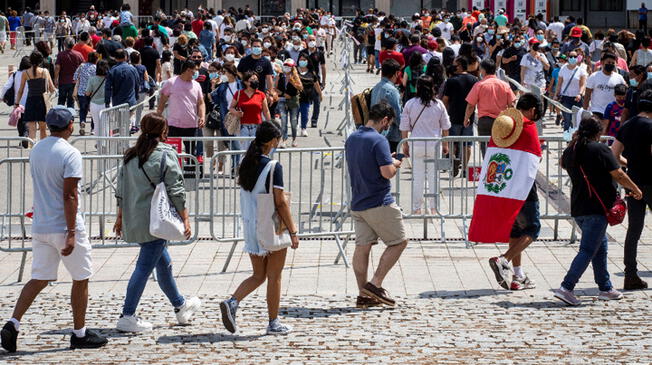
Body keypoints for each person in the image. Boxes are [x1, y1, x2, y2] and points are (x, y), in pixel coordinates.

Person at [0, 107, 108, 352]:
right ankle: (79, 333)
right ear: (70, 125)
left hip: (41, 223)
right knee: (81, 278)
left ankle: (13, 323)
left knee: (38, 278)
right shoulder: (70, 153)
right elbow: (69, 195)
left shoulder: (37, 149)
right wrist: (71, 232)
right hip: (63, 225)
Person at [113, 113, 201, 332]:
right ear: (164, 132)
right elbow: (176, 189)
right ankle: (127, 314)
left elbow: (120, 189)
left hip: (136, 217)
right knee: (144, 267)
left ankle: (180, 305)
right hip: (157, 219)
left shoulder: (131, 155)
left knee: (163, 264)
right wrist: (185, 218)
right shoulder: (165, 154)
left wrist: (120, 216)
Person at [219, 121, 299, 335]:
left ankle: (233, 301)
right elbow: (280, 202)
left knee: (258, 275)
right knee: (274, 276)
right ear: (272, 141)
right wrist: (292, 231)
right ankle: (273, 322)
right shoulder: (274, 166)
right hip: (270, 226)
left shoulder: (247, 163)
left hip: (250, 226)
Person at [555, 116, 642, 306]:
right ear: (598, 132)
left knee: (600, 247)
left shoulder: (572, 150)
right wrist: (635, 189)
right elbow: (618, 173)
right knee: (587, 250)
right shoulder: (599, 149)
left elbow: (563, 163)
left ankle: (605, 287)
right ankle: (566, 287)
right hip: (597, 207)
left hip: (579, 208)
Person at [345, 102, 407, 308]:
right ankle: (375, 284)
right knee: (399, 241)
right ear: (385, 120)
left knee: (362, 247)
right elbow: (387, 173)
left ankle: (363, 293)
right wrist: (395, 164)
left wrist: (386, 160)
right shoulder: (378, 139)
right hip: (378, 201)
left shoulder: (352, 138)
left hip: (358, 201)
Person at [487, 94, 544, 291]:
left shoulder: (502, 125)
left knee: (516, 230)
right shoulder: (528, 128)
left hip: (504, 184)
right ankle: (504, 260)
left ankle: (517, 275)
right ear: (533, 110)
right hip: (524, 186)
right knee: (532, 229)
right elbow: (536, 157)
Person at [612, 89, 652, 290]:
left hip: (633, 182)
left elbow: (614, 155)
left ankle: (630, 275)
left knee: (634, 230)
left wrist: (632, 164)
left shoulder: (627, 125)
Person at [400, 75, 450, 214]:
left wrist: (405, 144)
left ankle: (417, 208)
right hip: (434, 143)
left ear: (417, 87)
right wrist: (445, 144)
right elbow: (445, 126)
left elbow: (404, 126)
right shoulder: (438, 104)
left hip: (416, 143)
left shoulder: (410, 103)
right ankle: (434, 207)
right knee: (434, 177)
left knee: (418, 177)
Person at [464, 58, 516, 155]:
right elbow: (512, 104)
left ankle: (488, 167)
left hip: (485, 121)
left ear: (483, 70)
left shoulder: (479, 85)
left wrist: (466, 118)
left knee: (485, 148)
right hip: (502, 120)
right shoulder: (504, 85)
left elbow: (471, 105)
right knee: (501, 147)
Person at [157, 59, 205, 155]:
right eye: (194, 71)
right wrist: (157, 117)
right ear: (187, 70)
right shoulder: (171, 82)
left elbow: (201, 103)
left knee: (190, 154)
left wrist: (202, 116)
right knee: (172, 154)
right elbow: (162, 102)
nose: (196, 74)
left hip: (191, 125)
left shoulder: (196, 85)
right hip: (174, 125)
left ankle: (190, 169)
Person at [442, 56, 478, 176]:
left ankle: (453, 161)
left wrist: (444, 113)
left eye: (455, 65)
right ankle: (465, 168)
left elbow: (446, 99)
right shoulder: (474, 80)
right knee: (467, 144)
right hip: (469, 118)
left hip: (454, 116)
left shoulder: (451, 81)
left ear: (460, 66)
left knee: (452, 142)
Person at [16, 51, 56, 141]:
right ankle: (42, 149)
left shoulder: (25, 73)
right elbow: (52, 88)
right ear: (41, 61)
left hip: (30, 101)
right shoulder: (45, 72)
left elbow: (20, 91)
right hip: (42, 102)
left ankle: (32, 149)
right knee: (43, 129)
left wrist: (16, 103)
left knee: (31, 129)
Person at [229, 71, 271, 151]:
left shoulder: (261, 94)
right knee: (244, 151)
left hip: (257, 126)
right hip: (242, 127)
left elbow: (266, 111)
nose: (256, 81)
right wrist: (236, 113)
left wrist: (269, 124)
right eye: (253, 79)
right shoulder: (239, 94)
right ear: (246, 82)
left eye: (256, 79)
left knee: (256, 151)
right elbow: (231, 107)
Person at [371, 59, 403, 153]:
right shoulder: (392, 91)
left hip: (377, 130)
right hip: (391, 134)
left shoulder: (377, 87)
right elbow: (396, 114)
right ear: (396, 73)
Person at [584, 53, 626, 123]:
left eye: (613, 63)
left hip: (613, 111)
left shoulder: (619, 78)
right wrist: (585, 111)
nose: (611, 64)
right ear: (602, 62)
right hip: (597, 111)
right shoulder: (594, 76)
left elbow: (624, 92)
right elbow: (587, 95)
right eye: (608, 62)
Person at [555, 50, 588, 131]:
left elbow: (583, 84)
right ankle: (567, 140)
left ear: (577, 58)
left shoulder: (581, 70)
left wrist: (580, 94)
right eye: (571, 56)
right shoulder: (563, 69)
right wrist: (556, 94)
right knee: (567, 120)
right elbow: (559, 84)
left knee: (577, 121)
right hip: (566, 98)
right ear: (568, 58)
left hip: (577, 99)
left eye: (575, 56)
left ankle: (576, 140)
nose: (573, 58)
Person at [276, 58, 302, 147]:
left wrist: (293, 82)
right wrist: (283, 94)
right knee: (283, 121)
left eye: (289, 66)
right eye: (285, 66)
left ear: (292, 67)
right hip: (282, 100)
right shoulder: (280, 75)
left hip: (293, 101)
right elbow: (275, 88)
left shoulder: (295, 76)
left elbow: (300, 87)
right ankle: (284, 140)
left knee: (293, 121)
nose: (286, 68)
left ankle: (294, 139)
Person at [296, 54, 322, 137]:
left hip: (306, 98)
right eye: (301, 60)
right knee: (295, 114)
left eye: (304, 60)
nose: (302, 61)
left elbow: (316, 84)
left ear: (307, 61)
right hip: (295, 97)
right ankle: (295, 127)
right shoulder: (295, 71)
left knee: (305, 114)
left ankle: (303, 128)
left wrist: (320, 94)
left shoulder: (311, 72)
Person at [54, 37, 84, 108]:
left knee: (61, 101)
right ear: (73, 45)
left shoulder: (60, 55)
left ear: (64, 45)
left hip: (63, 81)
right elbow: (82, 67)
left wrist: (55, 79)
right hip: (74, 82)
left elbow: (57, 67)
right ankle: (71, 117)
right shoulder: (78, 54)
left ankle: (60, 116)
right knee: (71, 101)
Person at [73, 51, 98, 135]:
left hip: (81, 92)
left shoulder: (82, 66)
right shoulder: (96, 68)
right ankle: (93, 128)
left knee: (83, 110)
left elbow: (75, 77)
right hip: (93, 92)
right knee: (93, 111)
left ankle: (82, 122)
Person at [85, 60, 108, 136]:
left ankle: (98, 144)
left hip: (94, 104)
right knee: (105, 124)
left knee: (96, 124)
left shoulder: (92, 79)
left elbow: (87, 93)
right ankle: (105, 142)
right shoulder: (108, 79)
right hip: (106, 104)